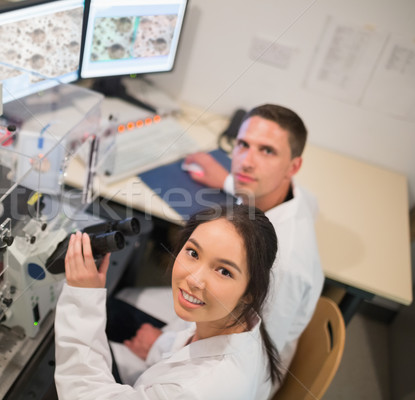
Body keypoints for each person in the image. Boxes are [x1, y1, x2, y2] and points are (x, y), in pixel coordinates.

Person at [116, 104, 324, 388]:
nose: (246, 162)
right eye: (243, 145)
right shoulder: (295, 199)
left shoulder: (281, 264)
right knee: (119, 300)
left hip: (220, 371)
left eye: (267, 151)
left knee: (110, 312)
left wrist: (158, 347)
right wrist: (228, 180)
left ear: (294, 166)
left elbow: (251, 357)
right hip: (210, 318)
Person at [54, 204, 282, 399]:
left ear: (250, 292)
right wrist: (158, 347)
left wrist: (81, 297)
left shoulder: (192, 390)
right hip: (160, 357)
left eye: (223, 271)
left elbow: (83, 394)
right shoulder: (242, 325)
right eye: (193, 253)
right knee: (110, 309)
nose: (194, 280)